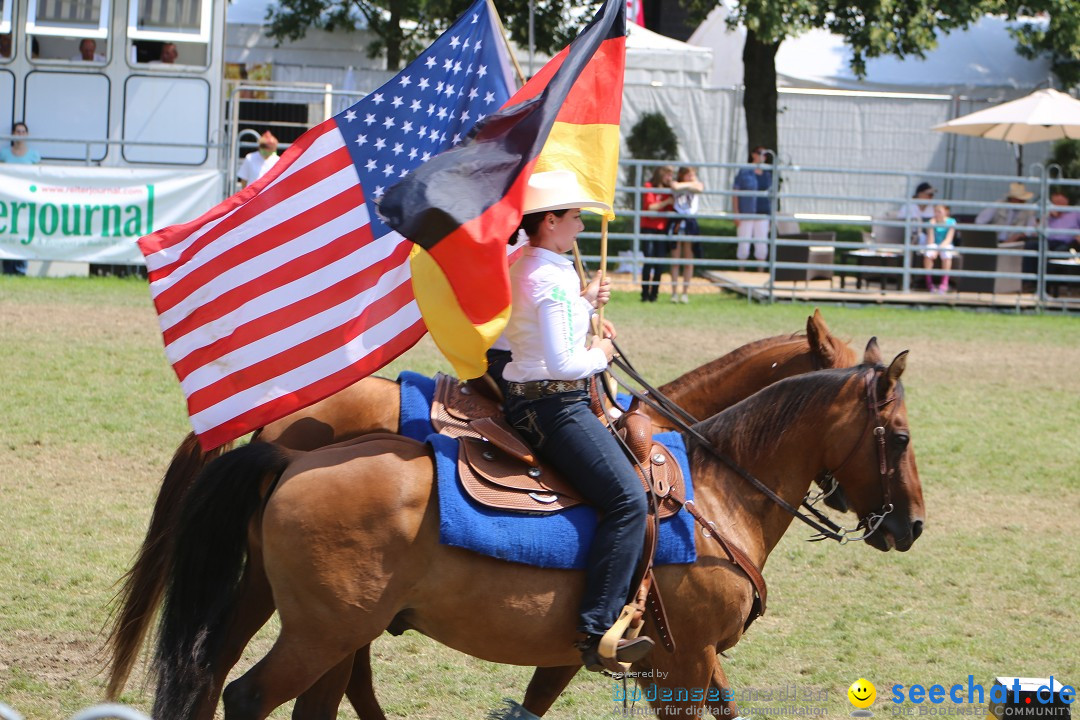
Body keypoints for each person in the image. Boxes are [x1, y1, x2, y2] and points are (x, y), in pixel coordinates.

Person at [502, 169, 653, 673]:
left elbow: (545, 324)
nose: (582, 227)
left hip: (543, 394)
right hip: (551, 403)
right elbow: (566, 364)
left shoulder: (542, 267)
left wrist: (583, 303)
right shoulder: (546, 277)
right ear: (549, 221)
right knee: (629, 500)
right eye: (575, 217)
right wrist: (603, 351)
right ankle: (596, 631)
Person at [1, 122, 38, 275]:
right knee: (8, 234)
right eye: (17, 131)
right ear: (12, 134)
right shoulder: (4, 154)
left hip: (25, 202)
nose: (20, 135)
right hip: (8, 203)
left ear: (27, 135)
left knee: (23, 235)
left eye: (23, 132)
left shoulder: (33, 155)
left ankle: (21, 269)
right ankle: (8, 269)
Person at [667, 165, 704, 304]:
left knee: (689, 260)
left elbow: (699, 188)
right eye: (689, 174)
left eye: (693, 175)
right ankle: (674, 293)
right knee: (675, 260)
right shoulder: (677, 183)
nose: (692, 177)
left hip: (690, 222)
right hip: (677, 221)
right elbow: (675, 187)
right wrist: (689, 185)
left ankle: (685, 293)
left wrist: (688, 185)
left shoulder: (697, 183)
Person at [732, 146, 772, 268]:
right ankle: (741, 272)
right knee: (744, 244)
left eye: (765, 155)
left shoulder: (767, 174)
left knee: (762, 245)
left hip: (763, 212)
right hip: (746, 212)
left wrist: (771, 216)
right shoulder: (744, 171)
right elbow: (735, 192)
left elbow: (771, 196)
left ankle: (760, 274)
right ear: (753, 155)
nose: (763, 157)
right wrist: (736, 212)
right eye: (760, 153)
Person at [639, 165, 674, 302]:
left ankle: (654, 295)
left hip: (662, 229)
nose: (670, 178)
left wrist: (661, 205)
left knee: (659, 263)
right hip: (648, 228)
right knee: (648, 261)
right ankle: (644, 294)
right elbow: (650, 210)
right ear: (661, 174)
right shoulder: (649, 186)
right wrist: (665, 203)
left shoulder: (669, 190)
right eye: (668, 175)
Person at [923, 204, 956, 293]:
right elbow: (930, 241)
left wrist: (938, 250)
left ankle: (944, 283)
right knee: (929, 251)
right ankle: (929, 282)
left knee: (946, 253)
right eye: (935, 212)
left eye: (939, 212)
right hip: (934, 244)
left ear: (946, 212)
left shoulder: (951, 222)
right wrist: (931, 227)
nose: (937, 214)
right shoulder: (931, 222)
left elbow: (948, 239)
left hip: (945, 244)